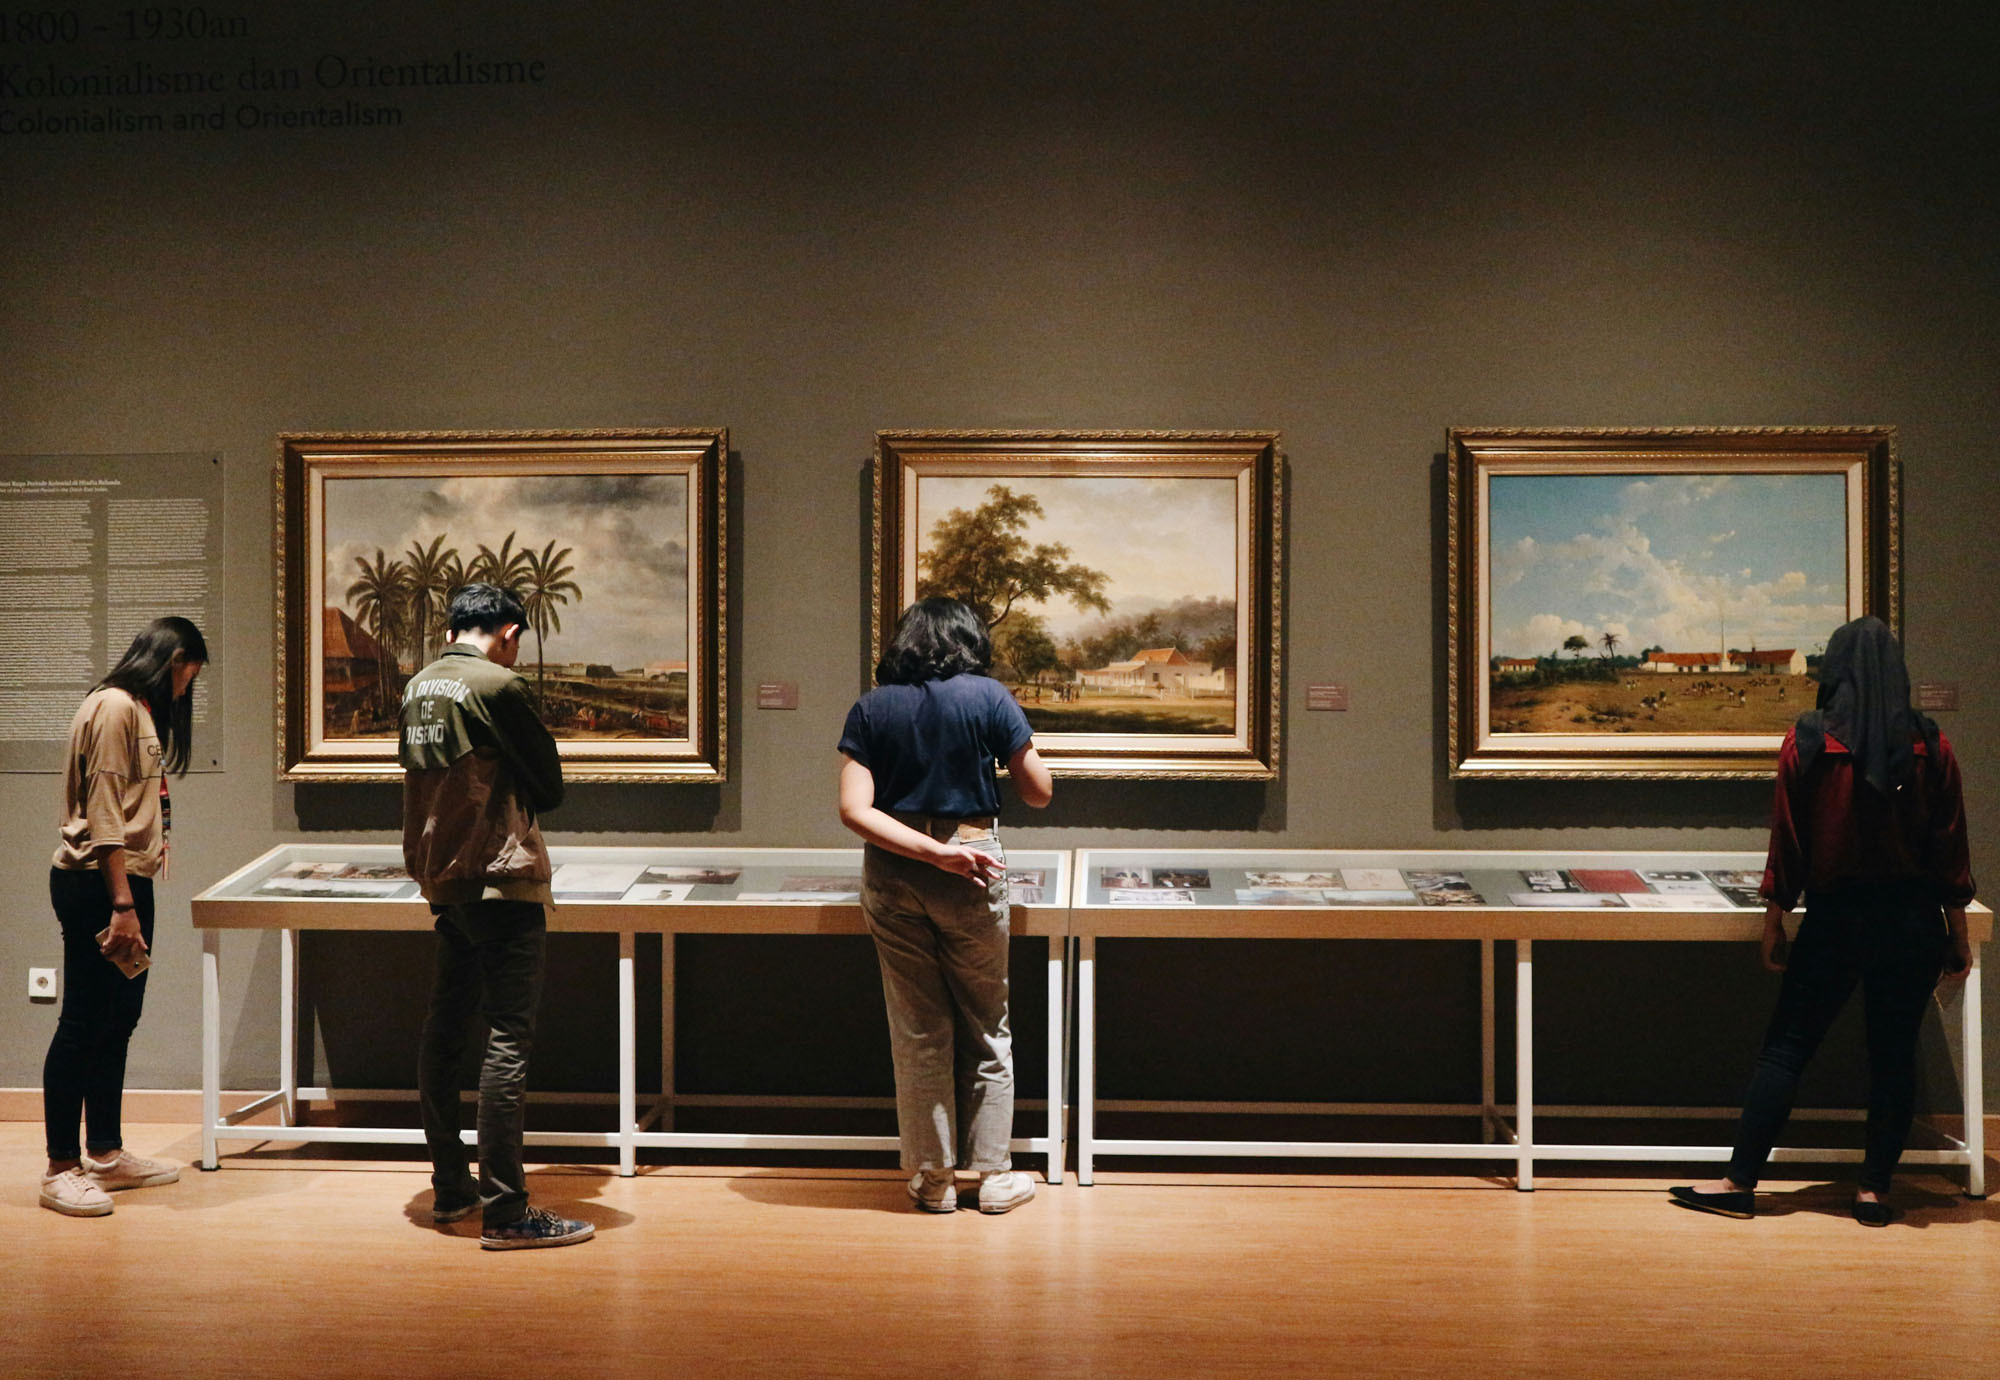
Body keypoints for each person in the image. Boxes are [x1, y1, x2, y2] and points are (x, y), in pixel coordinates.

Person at [1671, 616, 1975, 1226]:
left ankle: (1739, 1182)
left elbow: (1788, 843)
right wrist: (1957, 933)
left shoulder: (1808, 741)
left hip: (1836, 920)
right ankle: (1873, 1192)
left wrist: (1773, 919)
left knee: (1786, 1050)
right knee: (1892, 1056)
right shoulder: (1930, 744)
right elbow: (1949, 847)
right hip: (1912, 922)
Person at [837, 597, 1054, 1214]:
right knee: (988, 1023)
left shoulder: (872, 707)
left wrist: (926, 853)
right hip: (973, 862)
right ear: (969, 640)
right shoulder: (988, 697)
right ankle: (992, 1178)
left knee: (918, 1028)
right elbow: (1039, 793)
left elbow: (856, 810)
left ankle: (933, 1179)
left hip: (894, 870)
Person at [401, 583, 591, 1250]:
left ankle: (453, 1187)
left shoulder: (419, 685)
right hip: (499, 880)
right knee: (508, 1035)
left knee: (445, 1028)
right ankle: (508, 1211)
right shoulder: (496, 687)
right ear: (508, 631)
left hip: (445, 883)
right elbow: (551, 786)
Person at [40, 617, 207, 1217]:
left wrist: (132, 891)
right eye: (191, 674)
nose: (189, 688)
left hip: (125, 880)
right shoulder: (114, 708)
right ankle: (61, 1166)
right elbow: (106, 809)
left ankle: (105, 1154)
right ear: (176, 659)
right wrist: (121, 903)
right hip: (99, 885)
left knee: (119, 1017)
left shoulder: (132, 708)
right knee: (84, 1021)